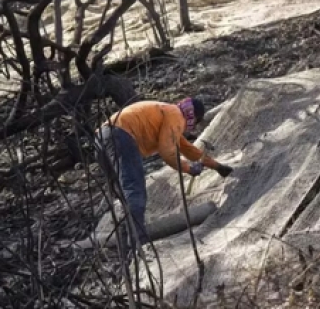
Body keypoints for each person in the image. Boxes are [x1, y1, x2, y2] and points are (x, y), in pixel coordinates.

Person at [96, 97, 233, 249]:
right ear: (193, 116)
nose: (193, 127)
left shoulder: (169, 112)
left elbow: (187, 148)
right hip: (120, 136)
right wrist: (188, 168)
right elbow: (167, 151)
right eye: (196, 122)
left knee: (123, 194)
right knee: (134, 191)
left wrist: (216, 166)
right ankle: (138, 245)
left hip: (102, 137)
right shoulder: (176, 115)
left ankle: (125, 243)